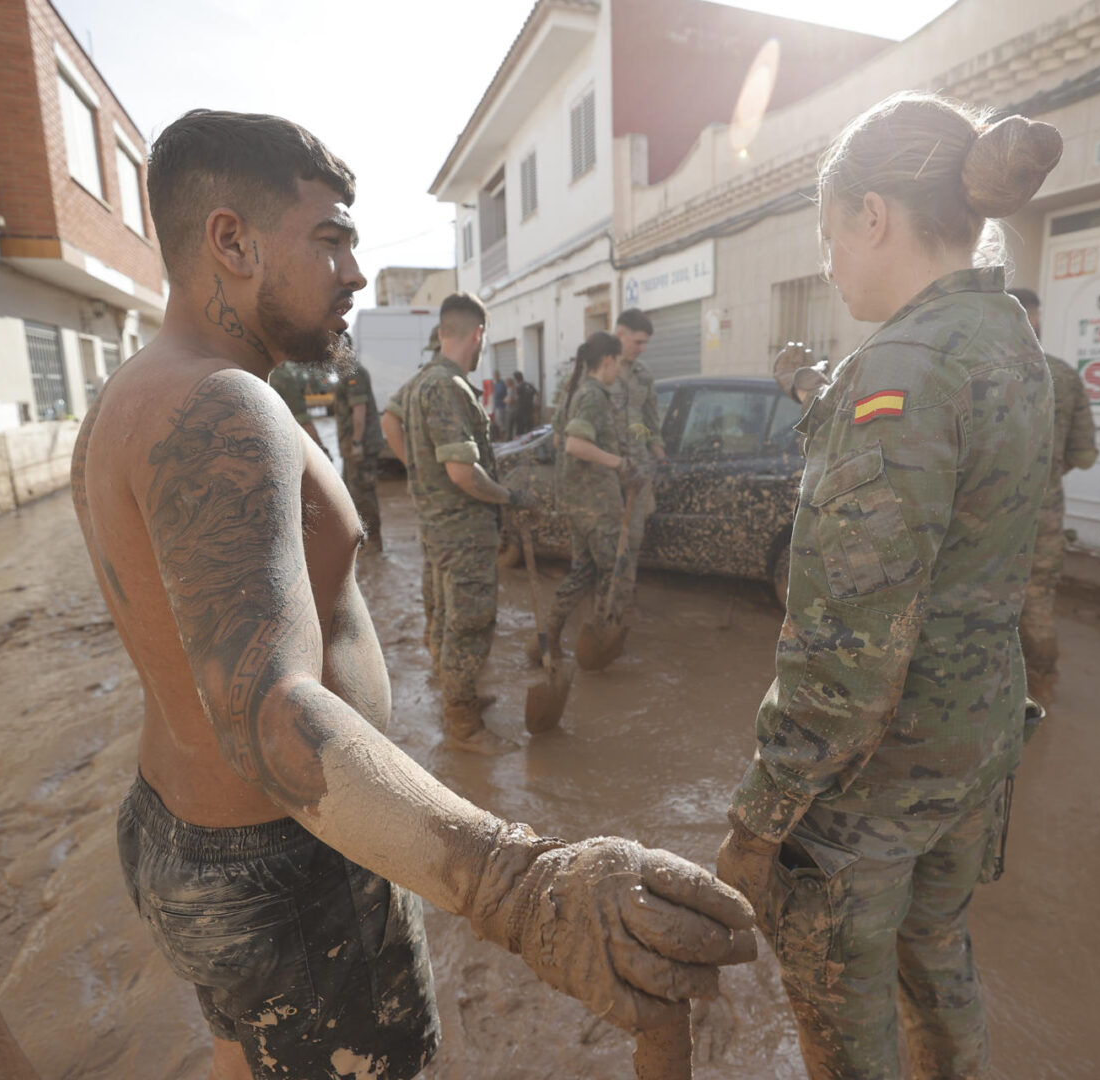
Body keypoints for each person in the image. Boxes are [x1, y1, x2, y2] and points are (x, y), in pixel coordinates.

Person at [70, 109, 755, 1080]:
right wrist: (518, 884)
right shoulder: (220, 407)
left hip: (178, 837)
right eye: (332, 239)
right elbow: (265, 714)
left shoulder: (133, 395)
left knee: (246, 1055)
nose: (354, 271)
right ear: (232, 241)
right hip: (281, 863)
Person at [714, 93, 1063, 1079]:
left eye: (830, 237)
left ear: (873, 216)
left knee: (840, 1006)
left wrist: (757, 822)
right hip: (975, 741)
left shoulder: (899, 372)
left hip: (878, 775)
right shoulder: (1012, 342)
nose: (830, 265)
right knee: (938, 961)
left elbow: (847, 656)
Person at [403, 292, 536, 753]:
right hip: (463, 533)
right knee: (469, 624)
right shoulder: (448, 387)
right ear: (477, 335)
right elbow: (463, 473)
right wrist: (509, 496)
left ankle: (458, 701)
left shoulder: (423, 382)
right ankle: (464, 725)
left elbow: (396, 431)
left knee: (445, 621)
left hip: (441, 530)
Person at [1009, 286, 1098, 702]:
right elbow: (1083, 455)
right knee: (1038, 601)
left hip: (982, 515)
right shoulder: (1063, 375)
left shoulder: (972, 375)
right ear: (1037, 319)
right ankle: (1043, 688)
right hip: (1044, 511)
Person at [539, 332, 636, 660]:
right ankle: (596, 642)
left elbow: (556, 440)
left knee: (583, 571)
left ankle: (548, 636)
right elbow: (573, 444)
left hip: (575, 501)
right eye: (618, 363)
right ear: (608, 360)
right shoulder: (593, 395)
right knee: (612, 571)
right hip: (597, 503)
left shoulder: (574, 391)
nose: (619, 370)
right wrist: (619, 462)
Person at [383, 327, 439, 645]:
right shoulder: (440, 382)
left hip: (425, 494)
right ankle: (438, 633)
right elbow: (389, 420)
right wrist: (415, 466)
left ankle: (432, 630)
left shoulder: (417, 382)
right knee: (443, 569)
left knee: (432, 563)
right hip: (443, 495)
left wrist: (413, 467)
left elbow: (389, 419)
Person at [605, 309, 665, 597]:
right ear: (620, 335)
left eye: (645, 344)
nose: (642, 350)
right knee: (608, 538)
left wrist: (658, 447)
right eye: (637, 342)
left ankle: (624, 596)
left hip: (638, 470)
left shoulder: (645, 375)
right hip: (606, 470)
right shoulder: (599, 369)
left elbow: (652, 420)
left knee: (635, 537)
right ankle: (604, 594)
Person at [337, 357, 385, 550]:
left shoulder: (352, 372)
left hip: (360, 448)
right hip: (352, 448)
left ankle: (373, 541)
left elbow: (359, 409)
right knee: (352, 493)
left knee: (363, 494)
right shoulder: (346, 372)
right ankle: (363, 540)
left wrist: (357, 443)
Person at [268, 361, 329, 458]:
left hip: (300, 413)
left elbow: (305, 383)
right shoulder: (271, 372)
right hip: (285, 419)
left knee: (316, 447)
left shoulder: (290, 367)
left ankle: (324, 456)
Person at [511, 369, 537, 436]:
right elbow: (537, 393)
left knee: (520, 429)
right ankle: (531, 442)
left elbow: (517, 398)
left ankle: (521, 443)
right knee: (530, 428)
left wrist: (511, 401)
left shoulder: (519, 387)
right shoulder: (529, 385)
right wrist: (535, 403)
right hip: (530, 410)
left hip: (521, 410)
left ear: (516, 379)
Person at [490, 364, 508, 441]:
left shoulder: (501, 383)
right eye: (494, 375)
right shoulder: (495, 384)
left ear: (498, 375)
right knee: (497, 422)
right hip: (496, 406)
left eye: (496, 375)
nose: (495, 376)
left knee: (501, 423)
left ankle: (504, 438)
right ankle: (501, 437)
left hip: (501, 406)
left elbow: (498, 393)